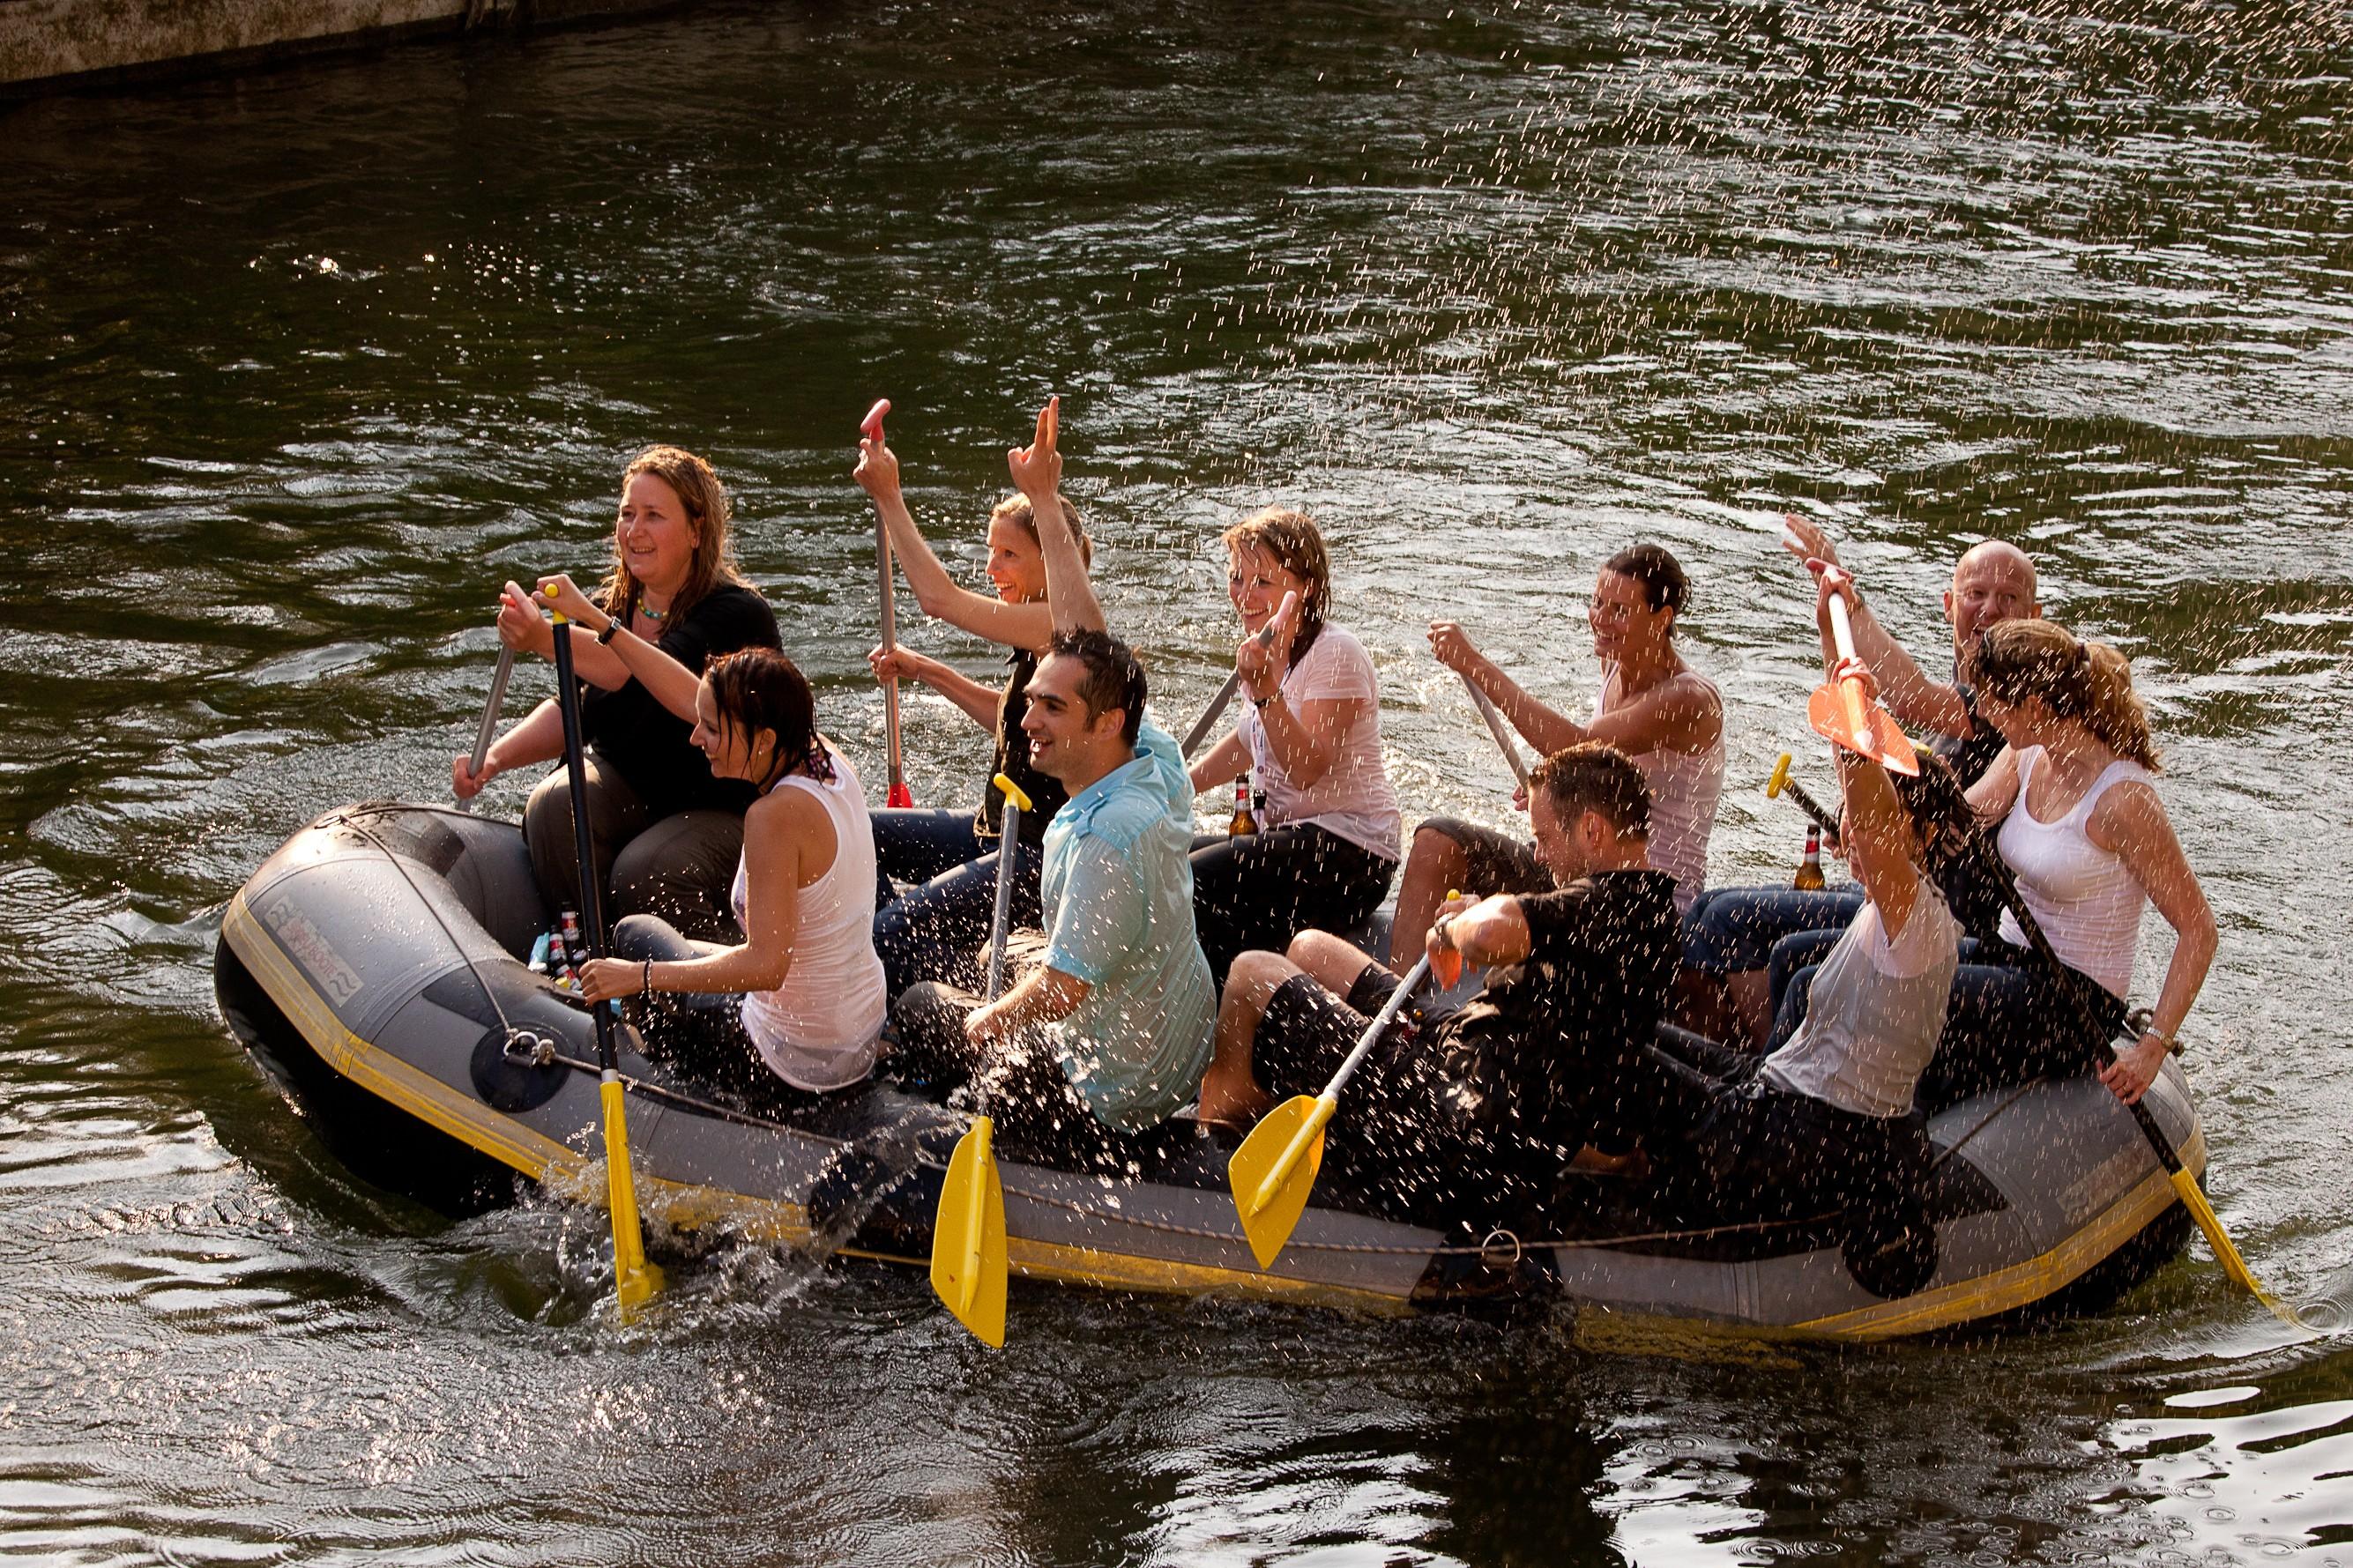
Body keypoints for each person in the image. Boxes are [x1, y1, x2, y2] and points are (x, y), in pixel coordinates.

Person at [890, 400, 1215, 1170]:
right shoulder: (1153, 757)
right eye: (1031, 701)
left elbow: (1063, 988)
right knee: (978, 961)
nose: (1030, 717)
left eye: (1052, 706)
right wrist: (932, 671)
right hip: (1140, 1043)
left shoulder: (1102, 832)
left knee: (919, 991)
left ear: (1105, 722)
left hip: (1111, 1088)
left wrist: (985, 1026)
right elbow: (1071, 676)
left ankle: (921, 1098)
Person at [1198, 742, 1681, 1230]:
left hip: (1458, 1132)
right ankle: (1269, 1111)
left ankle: (1210, 1152)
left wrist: (1457, 929)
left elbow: (1494, 931)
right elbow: (1545, 935)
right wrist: (1484, 909)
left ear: (1593, 830)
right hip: (1460, 1063)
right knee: (1309, 949)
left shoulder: (1613, 907)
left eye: (1543, 836)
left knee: (1252, 974)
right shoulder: (1643, 909)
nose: (1538, 853)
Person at [1681, 523, 2040, 1045]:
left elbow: (1912, 697)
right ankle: (1736, 1056)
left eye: (2009, 598)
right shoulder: (1964, 696)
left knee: (1737, 926)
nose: (1989, 609)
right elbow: (1869, 742)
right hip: (1899, 887)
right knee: (1710, 909)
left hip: (1936, 917)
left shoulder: (2016, 703)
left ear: (2033, 616)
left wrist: (1852, 605)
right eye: (1976, 594)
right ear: (1948, 603)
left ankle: (1763, 1075)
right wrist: (1864, 822)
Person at [454, 447, 781, 939]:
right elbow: (575, 708)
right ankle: (589, 953)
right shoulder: (613, 609)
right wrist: (494, 760)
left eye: (654, 516)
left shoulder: (736, 614)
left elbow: (633, 669)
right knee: (551, 807)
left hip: (724, 808)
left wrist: (548, 637)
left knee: (645, 869)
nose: (634, 530)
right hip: (635, 793)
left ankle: (706, 987)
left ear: (696, 531)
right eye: (627, 514)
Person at [570, 641, 887, 1102]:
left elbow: (766, 966)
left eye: (712, 729)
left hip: (790, 1058)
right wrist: (609, 630)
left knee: (635, 932)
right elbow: (699, 697)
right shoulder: (824, 757)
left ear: (764, 739)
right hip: (854, 1031)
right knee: (684, 948)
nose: (696, 737)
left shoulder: (773, 817)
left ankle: (665, 1088)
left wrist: (637, 975)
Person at [1927, 617, 2216, 1108]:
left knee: (1910, 993)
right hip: (2009, 955)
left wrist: (2152, 1048)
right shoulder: (2029, 753)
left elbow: (2199, 931)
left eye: (1993, 702)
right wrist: (1885, 818)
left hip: (2073, 1001)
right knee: (1890, 973)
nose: (1984, 714)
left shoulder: (2123, 799)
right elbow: (1962, 822)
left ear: (2035, 706)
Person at [1389, 543, 1724, 965]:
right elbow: (1594, 769)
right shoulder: (1616, 664)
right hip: (1580, 865)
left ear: (1662, 619)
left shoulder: (1687, 700)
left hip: (1644, 901)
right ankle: (1396, 1014)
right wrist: (1551, 795)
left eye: (1620, 610)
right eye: (1598, 603)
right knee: (1437, 842)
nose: (1601, 620)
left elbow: (1575, 744)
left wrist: (1475, 665)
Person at [853, 426, 1091, 997]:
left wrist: (889, 496)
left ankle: (976, 990)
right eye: (990, 551)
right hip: (990, 831)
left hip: (1036, 857)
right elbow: (1010, 721)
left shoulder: (1060, 622)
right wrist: (927, 669)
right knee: (856, 834)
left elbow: (939, 600)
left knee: (882, 938)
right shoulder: (1037, 628)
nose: (992, 567)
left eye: (1008, 553)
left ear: (1049, 558)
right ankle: (934, 952)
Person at [1186, 507, 1402, 986]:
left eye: (1262, 581)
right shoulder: (1266, 649)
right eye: (1237, 578)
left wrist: (1265, 691)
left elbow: (1307, 768)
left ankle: (1223, 1015)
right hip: (1290, 839)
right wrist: (1176, 786)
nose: (1244, 595)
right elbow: (1248, 741)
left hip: (1351, 853)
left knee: (1192, 881)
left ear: (1303, 586)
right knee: (1165, 858)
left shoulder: (1336, 653)